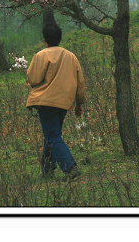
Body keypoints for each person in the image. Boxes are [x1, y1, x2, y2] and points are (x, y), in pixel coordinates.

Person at [26, 22, 85, 179]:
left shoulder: (41, 56)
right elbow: (80, 83)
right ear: (60, 38)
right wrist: (79, 104)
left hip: (46, 102)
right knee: (52, 134)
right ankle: (47, 169)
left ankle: (70, 167)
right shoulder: (71, 56)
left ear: (45, 39)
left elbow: (33, 79)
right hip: (64, 103)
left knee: (52, 136)